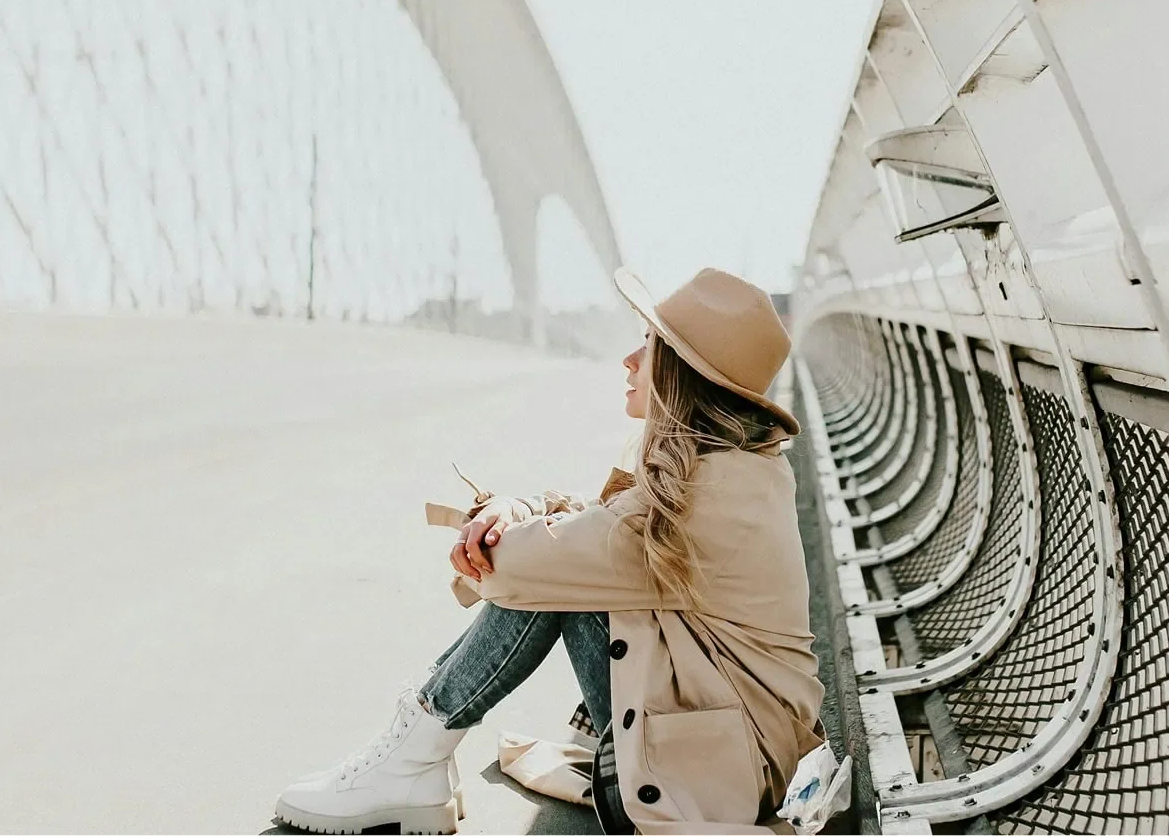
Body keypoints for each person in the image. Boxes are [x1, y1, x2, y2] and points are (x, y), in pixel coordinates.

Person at [273, 268, 826, 834]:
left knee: (547, 578)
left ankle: (410, 759)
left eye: (651, 345)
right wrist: (518, 508)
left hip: (727, 769)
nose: (629, 361)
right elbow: (599, 523)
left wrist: (499, 532)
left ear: (686, 376)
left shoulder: (707, 498)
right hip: (732, 736)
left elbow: (531, 565)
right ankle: (413, 760)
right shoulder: (735, 471)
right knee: (561, 569)